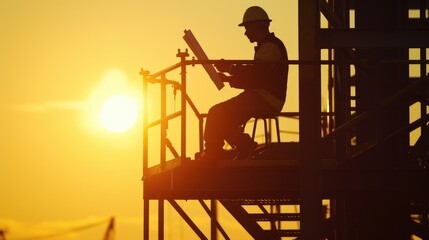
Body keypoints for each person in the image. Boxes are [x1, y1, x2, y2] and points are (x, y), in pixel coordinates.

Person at [202, 6, 288, 160]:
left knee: (217, 113)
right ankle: (242, 145)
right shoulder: (267, 47)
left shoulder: (271, 47)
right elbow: (256, 76)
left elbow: (256, 75)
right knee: (220, 115)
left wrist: (230, 69)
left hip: (265, 99)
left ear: (259, 26)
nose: (246, 32)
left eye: (248, 28)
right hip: (260, 97)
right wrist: (229, 77)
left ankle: (214, 153)